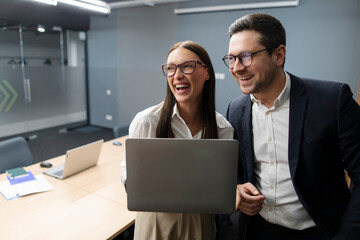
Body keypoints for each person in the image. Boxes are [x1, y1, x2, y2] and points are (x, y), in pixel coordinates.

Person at [224, 13, 360, 240]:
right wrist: (236, 189)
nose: (237, 67)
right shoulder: (236, 109)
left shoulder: (332, 100)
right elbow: (237, 171)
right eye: (231, 58)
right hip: (257, 232)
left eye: (246, 57)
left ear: (278, 55)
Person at [121, 40, 234, 240]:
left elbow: (221, 187)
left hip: (200, 223)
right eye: (171, 69)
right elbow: (128, 177)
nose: (177, 75)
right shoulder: (147, 121)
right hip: (155, 223)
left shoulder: (222, 128)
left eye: (187, 66)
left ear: (207, 72)